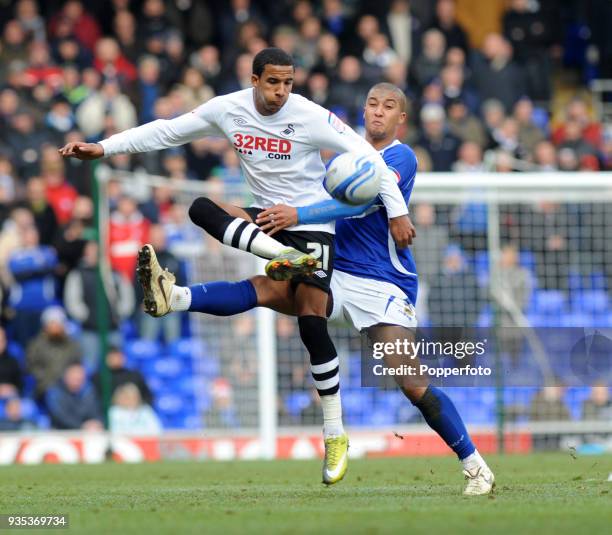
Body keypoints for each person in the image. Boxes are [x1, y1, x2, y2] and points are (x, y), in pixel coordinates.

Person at [59, 47, 412, 485]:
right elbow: (168, 131)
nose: (281, 92)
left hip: (309, 225)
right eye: (273, 82)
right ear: (254, 79)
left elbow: (371, 161)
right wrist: (104, 147)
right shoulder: (228, 109)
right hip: (266, 222)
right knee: (201, 208)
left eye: (288, 83)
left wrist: (397, 213)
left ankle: (335, 434)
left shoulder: (310, 115)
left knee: (309, 323)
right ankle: (277, 258)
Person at [134, 83, 495, 495]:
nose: (378, 112)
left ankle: (475, 466)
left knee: (411, 383)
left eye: (388, 106)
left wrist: (298, 213)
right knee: (265, 287)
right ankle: (175, 297)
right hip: (334, 268)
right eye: (372, 104)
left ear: (401, 119)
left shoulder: (401, 158)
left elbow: (361, 203)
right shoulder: (340, 159)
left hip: (383, 283)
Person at [46, 363, 103, 431]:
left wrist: (96, 423)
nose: (77, 382)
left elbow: (96, 413)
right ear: (65, 377)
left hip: (85, 433)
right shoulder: (55, 392)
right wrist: (82, 426)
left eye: (80, 379)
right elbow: (62, 418)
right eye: (74, 378)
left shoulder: (88, 391)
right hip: (60, 433)